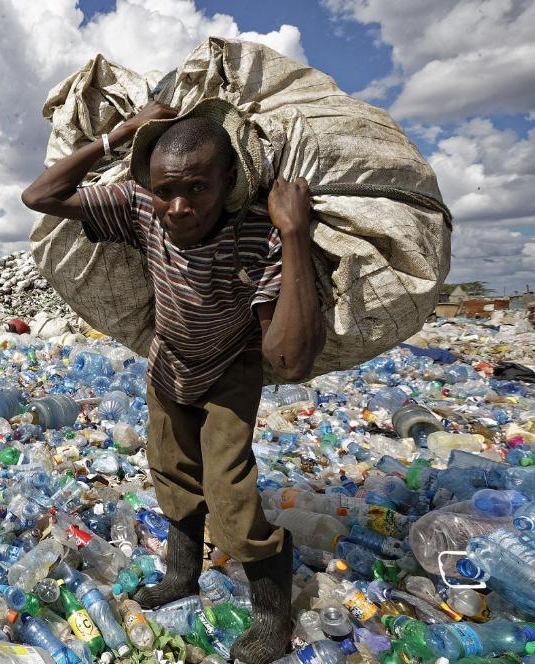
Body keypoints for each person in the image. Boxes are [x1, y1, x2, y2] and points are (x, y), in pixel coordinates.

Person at [21, 101, 325, 664]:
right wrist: (120, 136)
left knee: (230, 493)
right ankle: (181, 576)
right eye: (165, 190)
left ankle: (271, 613)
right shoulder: (141, 209)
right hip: (169, 365)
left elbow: (288, 360)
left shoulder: (257, 235)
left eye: (197, 188)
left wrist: (295, 233)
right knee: (171, 473)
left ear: (228, 181)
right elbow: (39, 196)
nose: (179, 208)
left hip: (230, 371)